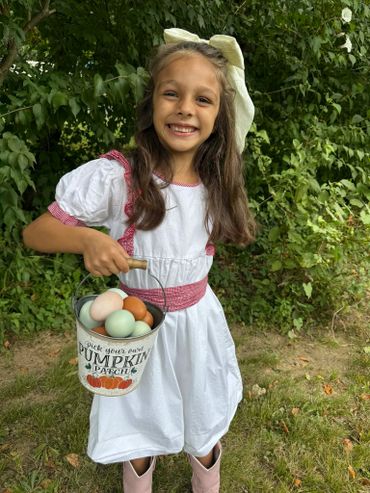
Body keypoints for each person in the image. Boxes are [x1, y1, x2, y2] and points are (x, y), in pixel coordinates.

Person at [23, 27, 256, 493]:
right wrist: (87, 239)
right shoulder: (120, 178)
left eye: (203, 100)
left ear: (220, 116)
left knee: (203, 412)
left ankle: (206, 480)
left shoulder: (215, 181)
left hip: (197, 325)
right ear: (152, 103)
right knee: (137, 417)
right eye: (171, 94)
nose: (186, 108)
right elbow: (36, 233)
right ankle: (138, 482)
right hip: (137, 327)